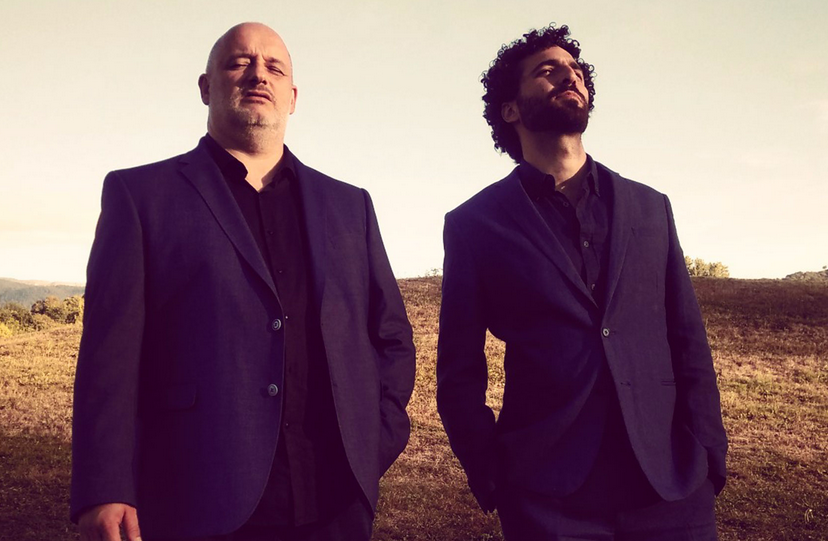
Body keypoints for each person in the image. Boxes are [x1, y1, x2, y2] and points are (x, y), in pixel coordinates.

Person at [71, 22, 415, 541]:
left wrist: (375, 439)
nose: (259, 74)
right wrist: (104, 484)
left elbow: (391, 337)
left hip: (336, 505)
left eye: (275, 67)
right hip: (195, 498)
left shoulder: (351, 206)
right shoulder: (140, 196)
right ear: (206, 87)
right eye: (239, 62)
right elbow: (109, 355)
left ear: (292, 97)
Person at [436, 24, 727, 540]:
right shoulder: (475, 224)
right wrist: (491, 472)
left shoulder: (649, 208)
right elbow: (459, 368)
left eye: (576, 70)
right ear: (511, 109)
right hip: (546, 496)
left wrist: (708, 453)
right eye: (548, 71)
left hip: (669, 487)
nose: (569, 77)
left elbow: (688, 339)